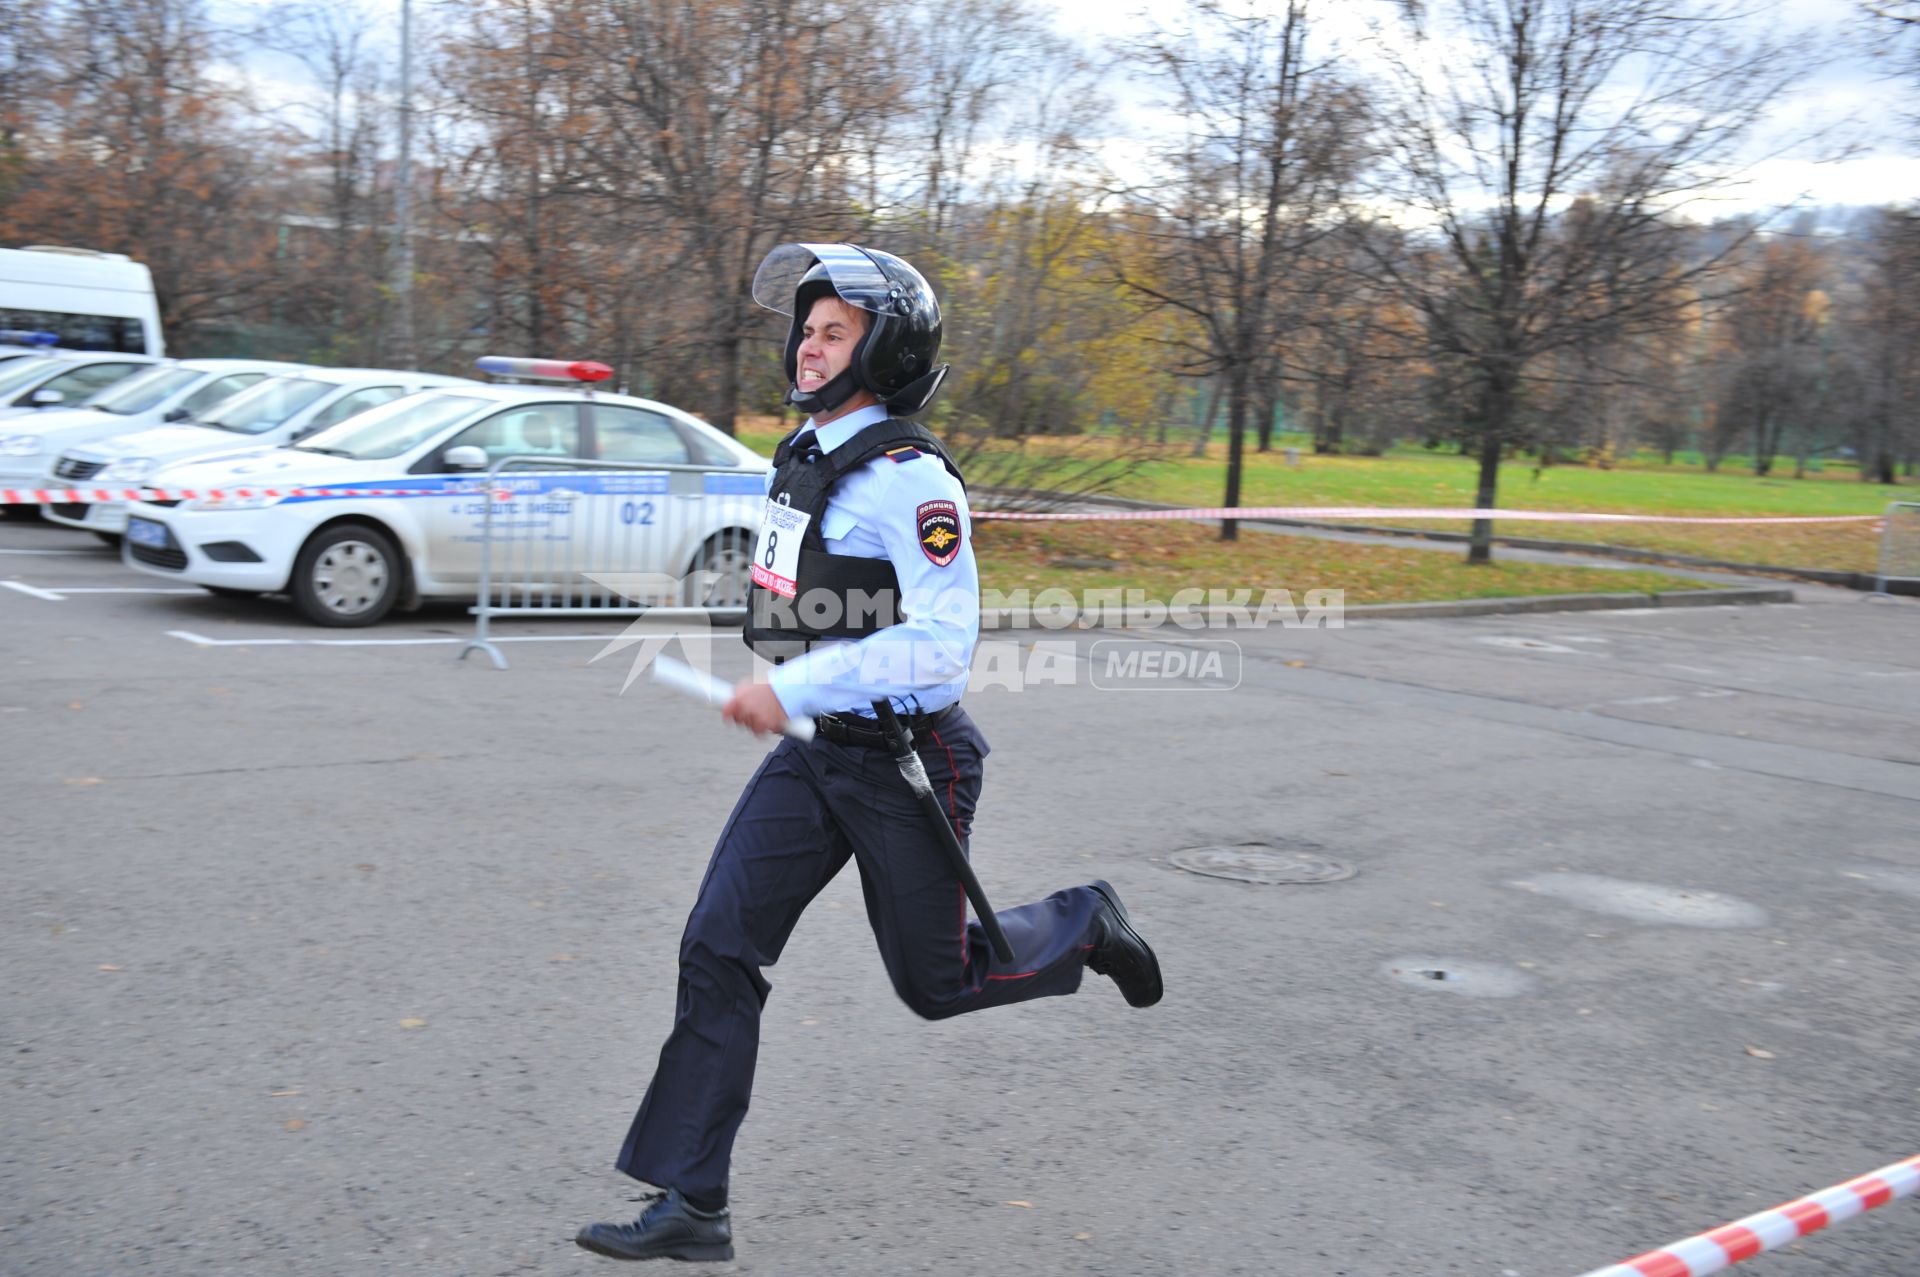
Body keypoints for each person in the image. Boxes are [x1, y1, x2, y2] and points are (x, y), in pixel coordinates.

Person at [575, 242, 1163, 1264]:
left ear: (881, 347)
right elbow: (803, 594)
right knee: (718, 942)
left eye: (834, 329)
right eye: (806, 328)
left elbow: (938, 652)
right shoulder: (805, 455)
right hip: (816, 753)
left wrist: (791, 684)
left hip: (909, 759)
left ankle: (1083, 922)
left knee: (936, 980)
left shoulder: (911, 479)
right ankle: (693, 1199)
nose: (809, 345)